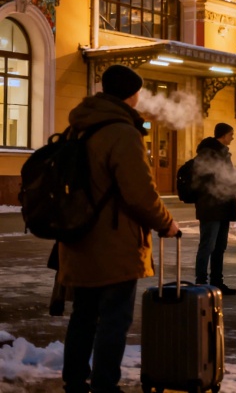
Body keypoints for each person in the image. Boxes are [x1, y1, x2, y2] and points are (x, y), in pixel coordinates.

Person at [59, 64, 180, 393]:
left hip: (78, 236)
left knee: (83, 315)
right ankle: (104, 385)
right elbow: (139, 193)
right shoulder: (122, 131)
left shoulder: (79, 126)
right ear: (132, 94)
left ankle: (74, 381)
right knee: (114, 318)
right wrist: (166, 223)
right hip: (114, 242)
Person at [193, 122, 236, 295]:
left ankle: (217, 281)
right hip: (211, 206)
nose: (232, 137)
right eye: (231, 134)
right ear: (223, 135)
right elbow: (204, 179)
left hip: (223, 205)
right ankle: (201, 282)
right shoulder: (208, 153)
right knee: (208, 245)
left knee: (220, 246)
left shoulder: (223, 153)